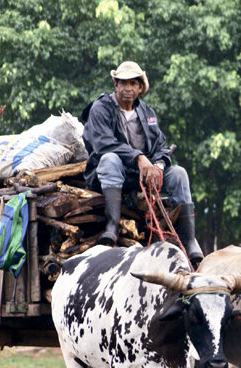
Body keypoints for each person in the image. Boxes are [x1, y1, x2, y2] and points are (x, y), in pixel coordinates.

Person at [81, 60, 204, 266]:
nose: (127, 89)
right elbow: (104, 144)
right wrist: (139, 158)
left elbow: (161, 146)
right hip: (110, 174)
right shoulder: (100, 108)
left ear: (140, 88)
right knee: (110, 159)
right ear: (115, 85)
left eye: (133, 84)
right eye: (123, 83)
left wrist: (158, 166)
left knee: (180, 173)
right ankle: (112, 227)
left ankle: (190, 241)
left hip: (141, 176)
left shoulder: (147, 113)